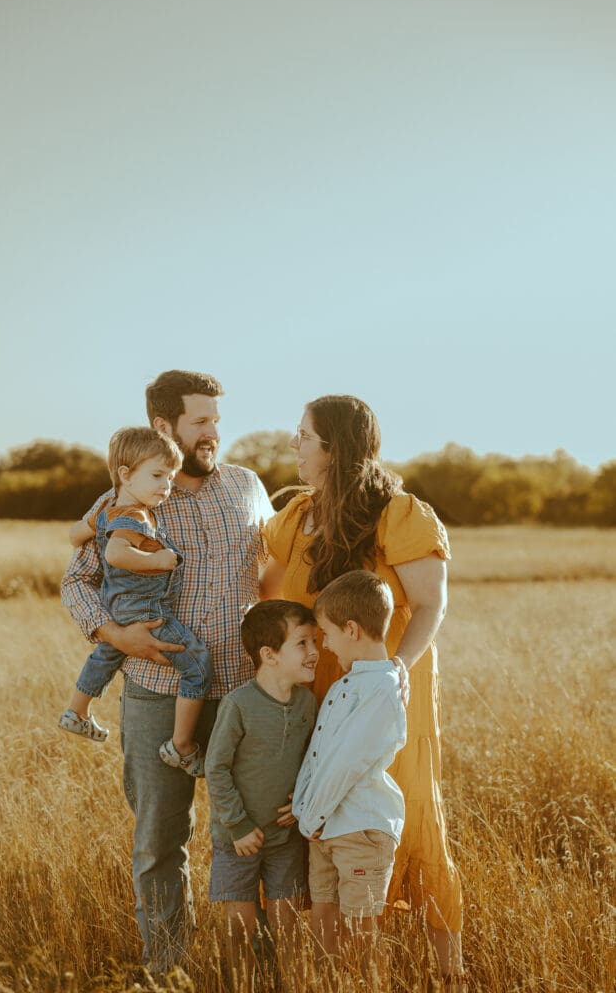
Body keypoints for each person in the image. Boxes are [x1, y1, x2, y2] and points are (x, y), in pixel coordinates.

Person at [61, 370, 274, 974]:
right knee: (159, 842)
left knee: (248, 836)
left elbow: (273, 572)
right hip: (156, 694)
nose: (213, 433)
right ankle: (167, 968)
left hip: (244, 695)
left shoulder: (247, 485)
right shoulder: (126, 501)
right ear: (164, 426)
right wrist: (114, 634)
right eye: (200, 421)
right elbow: (77, 581)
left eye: (216, 420)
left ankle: (252, 968)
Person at [262, 394, 466, 991]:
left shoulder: (399, 514)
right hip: (312, 692)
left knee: (410, 813)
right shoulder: (295, 518)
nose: (293, 445)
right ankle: (336, 970)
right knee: (320, 814)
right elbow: (266, 596)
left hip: (387, 690)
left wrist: (397, 668)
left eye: (303, 436)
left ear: (334, 448)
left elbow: (431, 602)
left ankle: (448, 971)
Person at [58, 426, 212, 776]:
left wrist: (90, 526)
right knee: (198, 663)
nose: (166, 486)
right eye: (157, 475)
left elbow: (74, 534)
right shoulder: (137, 515)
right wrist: (156, 561)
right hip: (144, 609)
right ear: (125, 475)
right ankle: (182, 745)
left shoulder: (106, 507)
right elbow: (115, 553)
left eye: (170, 478)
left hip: (117, 608)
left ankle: (77, 710)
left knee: (107, 653)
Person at [293, 570, 407, 980]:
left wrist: (311, 816)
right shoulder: (347, 684)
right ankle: (328, 984)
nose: (323, 644)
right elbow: (319, 752)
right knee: (322, 914)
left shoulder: (382, 691)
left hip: (360, 828)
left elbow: (347, 763)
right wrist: (305, 806)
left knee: (360, 928)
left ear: (352, 629)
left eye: (326, 633)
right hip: (324, 828)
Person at [205, 600, 318, 991]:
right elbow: (215, 768)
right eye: (302, 643)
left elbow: (310, 760)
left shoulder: (307, 702)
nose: (314, 651)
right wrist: (238, 825)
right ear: (269, 655)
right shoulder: (239, 704)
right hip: (237, 841)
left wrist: (301, 803)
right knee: (240, 932)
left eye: (314, 642)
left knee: (289, 930)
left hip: (285, 838)